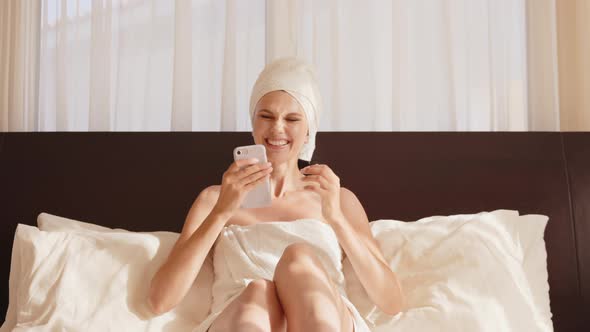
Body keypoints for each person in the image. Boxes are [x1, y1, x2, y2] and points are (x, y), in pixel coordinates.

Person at [148, 57, 405, 332]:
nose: (277, 129)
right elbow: (160, 300)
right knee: (259, 292)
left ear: (308, 131)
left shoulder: (338, 199)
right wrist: (222, 211)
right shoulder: (215, 199)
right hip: (239, 317)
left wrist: (336, 218)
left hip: (324, 317)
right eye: (266, 116)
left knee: (299, 259)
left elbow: (391, 301)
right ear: (253, 124)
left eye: (292, 119)